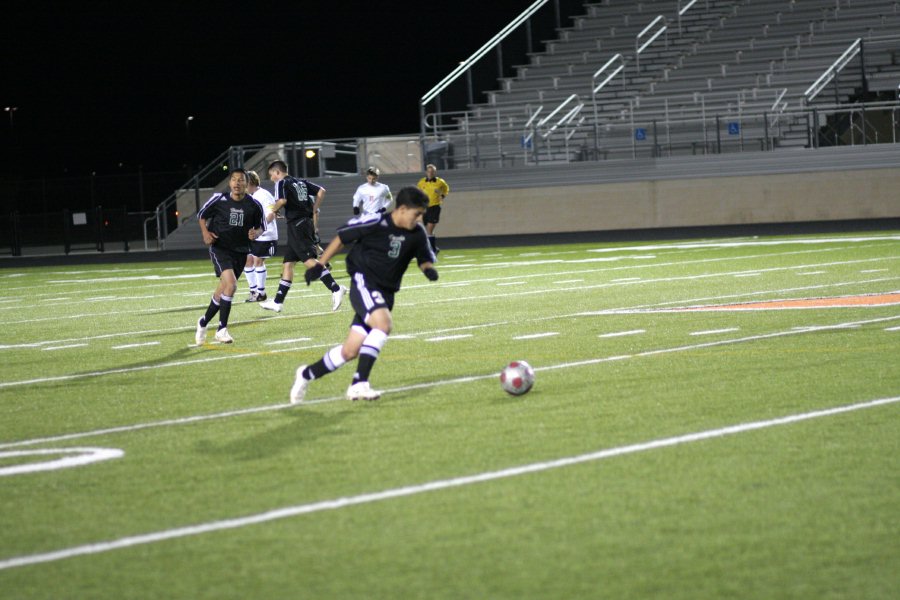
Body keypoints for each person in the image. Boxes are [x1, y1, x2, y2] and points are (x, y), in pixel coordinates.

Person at [289, 186, 438, 403]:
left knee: (349, 352)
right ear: (403, 209)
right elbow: (341, 237)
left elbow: (424, 257)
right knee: (383, 325)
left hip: (386, 293)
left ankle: (305, 374)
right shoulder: (374, 223)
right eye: (417, 214)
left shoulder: (416, 233)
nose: (419, 218)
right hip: (364, 283)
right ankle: (359, 384)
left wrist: (428, 269)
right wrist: (319, 265)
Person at [259, 160, 348, 313]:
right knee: (288, 263)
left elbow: (282, 200)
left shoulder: (281, 183)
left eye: (272, 175)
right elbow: (321, 191)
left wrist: (273, 209)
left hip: (297, 225)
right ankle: (278, 302)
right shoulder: (300, 182)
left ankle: (336, 288)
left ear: (277, 172)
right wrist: (314, 208)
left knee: (308, 261)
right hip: (302, 223)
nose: (272, 178)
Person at [195, 168, 265, 345]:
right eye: (234, 180)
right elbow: (201, 215)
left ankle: (203, 322)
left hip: (241, 251)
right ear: (230, 183)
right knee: (232, 285)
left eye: (241, 180)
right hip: (220, 248)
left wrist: (256, 233)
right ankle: (222, 329)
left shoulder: (254, 205)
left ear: (246, 184)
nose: (237, 183)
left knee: (222, 290)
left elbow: (261, 226)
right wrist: (205, 233)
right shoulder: (219, 199)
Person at [243, 170, 278, 302]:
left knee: (258, 261)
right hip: (253, 235)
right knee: (248, 260)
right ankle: (253, 291)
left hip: (265, 234)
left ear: (250, 182)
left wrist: (261, 228)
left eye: (244, 182)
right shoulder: (249, 196)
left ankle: (261, 293)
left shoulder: (263, 195)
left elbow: (271, 213)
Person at [416, 163, 450, 255]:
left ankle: (431, 251)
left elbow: (446, 189)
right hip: (425, 208)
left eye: (432, 172)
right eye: (429, 171)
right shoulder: (421, 182)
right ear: (426, 172)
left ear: (435, 172)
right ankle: (434, 248)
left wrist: (442, 195)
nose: (430, 173)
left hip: (435, 207)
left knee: (429, 229)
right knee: (427, 229)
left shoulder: (440, 182)